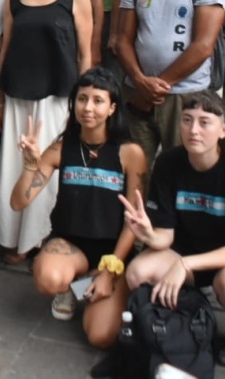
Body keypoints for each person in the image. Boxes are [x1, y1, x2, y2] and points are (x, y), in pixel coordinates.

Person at [121, 91, 225, 369]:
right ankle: (191, 310)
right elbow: (167, 235)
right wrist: (150, 235)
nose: (193, 130)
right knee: (137, 272)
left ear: (224, 130)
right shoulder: (169, 162)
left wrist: (185, 264)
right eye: (187, 120)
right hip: (186, 250)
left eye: (204, 122)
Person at [11, 68, 146, 346]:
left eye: (98, 101)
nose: (88, 108)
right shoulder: (62, 148)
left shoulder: (130, 153)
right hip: (70, 244)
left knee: (100, 336)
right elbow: (18, 202)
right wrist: (30, 163)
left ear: (112, 108)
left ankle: (105, 284)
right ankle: (72, 285)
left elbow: (133, 221)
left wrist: (110, 270)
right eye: (82, 99)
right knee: (50, 279)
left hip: (114, 251)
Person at [0, 0, 93, 262]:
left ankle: (40, 238)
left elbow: (85, 54)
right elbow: (5, 48)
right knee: (14, 165)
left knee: (47, 166)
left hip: (58, 98)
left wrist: (84, 103)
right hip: (17, 95)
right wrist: (0, 101)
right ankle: (11, 235)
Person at [116, 0, 225, 164]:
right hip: (138, 93)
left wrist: (155, 87)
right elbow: (122, 40)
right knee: (135, 170)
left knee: (182, 168)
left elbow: (203, 46)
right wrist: (140, 82)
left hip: (184, 95)